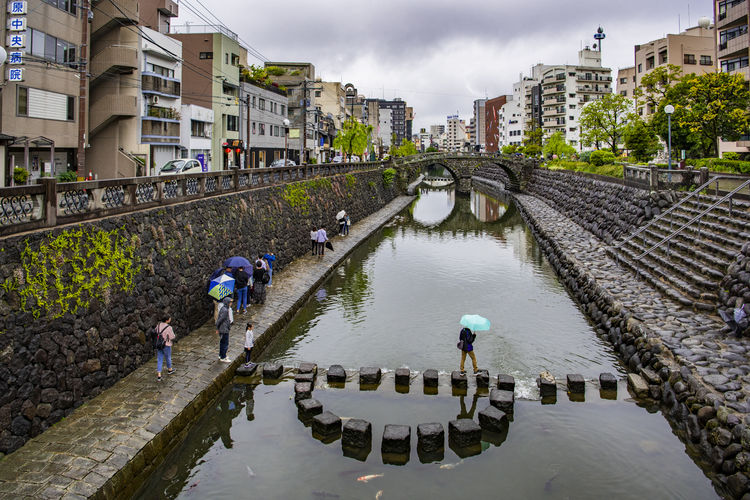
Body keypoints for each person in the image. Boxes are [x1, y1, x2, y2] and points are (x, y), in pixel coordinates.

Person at [155, 314, 176, 380]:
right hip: (166, 344)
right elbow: (172, 336)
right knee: (168, 357)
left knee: (160, 358)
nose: (170, 319)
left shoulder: (158, 325)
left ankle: (159, 374)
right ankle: (170, 369)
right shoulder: (169, 327)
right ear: (167, 320)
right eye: (169, 319)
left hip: (159, 344)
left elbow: (156, 331)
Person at [216, 297, 233, 362]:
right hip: (224, 329)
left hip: (223, 328)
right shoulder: (225, 310)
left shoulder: (224, 309)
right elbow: (220, 319)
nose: (231, 303)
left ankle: (221, 355)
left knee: (222, 342)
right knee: (225, 343)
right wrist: (217, 327)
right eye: (230, 302)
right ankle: (223, 357)